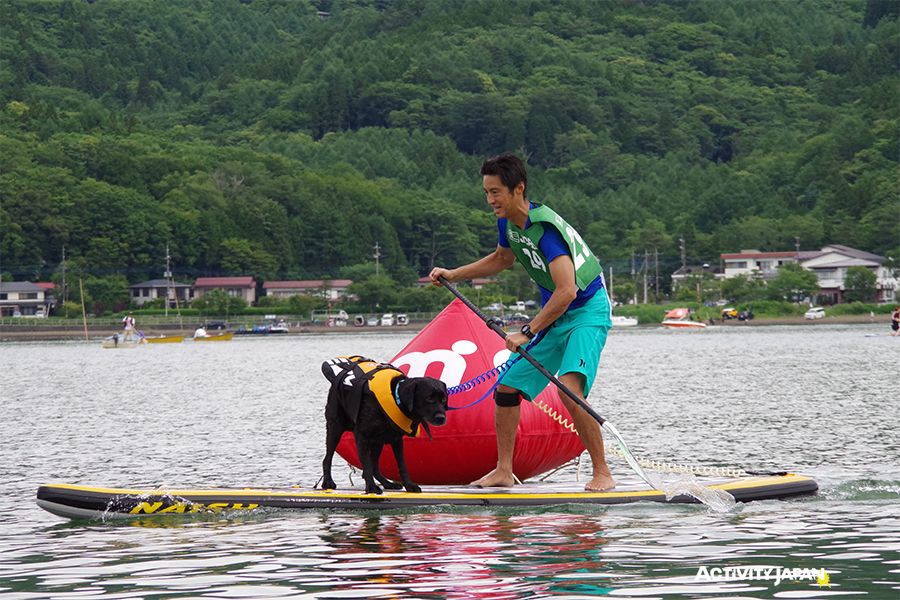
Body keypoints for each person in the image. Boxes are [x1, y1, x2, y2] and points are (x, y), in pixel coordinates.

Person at [430, 152, 615, 492]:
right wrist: (454, 274)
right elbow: (503, 258)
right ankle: (503, 470)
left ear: (519, 189)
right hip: (556, 314)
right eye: (486, 192)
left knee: (569, 392)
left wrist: (528, 330)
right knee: (507, 388)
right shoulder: (508, 223)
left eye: (496, 192)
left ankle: (602, 473)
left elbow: (567, 291)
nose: (490, 200)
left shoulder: (546, 232)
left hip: (586, 312)